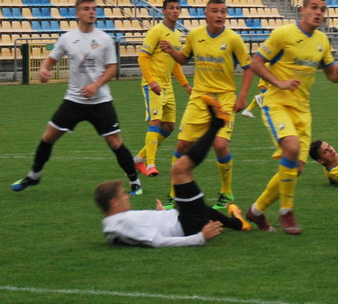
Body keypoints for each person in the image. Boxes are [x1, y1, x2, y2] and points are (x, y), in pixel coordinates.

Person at [11, 0, 143, 195]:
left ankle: (135, 182)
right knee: (48, 137)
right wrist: (44, 69)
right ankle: (34, 176)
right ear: (77, 13)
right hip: (74, 100)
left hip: (100, 101)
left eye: (94, 9)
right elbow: (51, 59)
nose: (91, 12)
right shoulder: (67, 38)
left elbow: (112, 68)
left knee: (115, 143)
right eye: (87, 8)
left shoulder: (104, 39)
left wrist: (95, 85)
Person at [243, 0, 338, 235]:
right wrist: (278, 82)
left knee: (295, 168)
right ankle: (286, 211)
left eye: (323, 9)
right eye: (313, 7)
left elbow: (331, 74)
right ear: (301, 10)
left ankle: (256, 212)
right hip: (277, 105)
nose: (318, 12)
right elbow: (256, 63)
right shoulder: (283, 35)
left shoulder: (322, 40)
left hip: (303, 111)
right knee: (291, 149)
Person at [95, 96, 251, 247]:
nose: (126, 196)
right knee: (180, 169)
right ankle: (217, 124)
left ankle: (237, 223)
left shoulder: (115, 223)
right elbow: (156, 241)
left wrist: (162, 214)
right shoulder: (121, 225)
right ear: (113, 202)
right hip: (187, 226)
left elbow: (145, 228)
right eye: (122, 194)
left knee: (189, 199)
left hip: (180, 219)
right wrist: (200, 237)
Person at [158, 0, 253, 210]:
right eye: (215, 11)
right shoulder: (195, 35)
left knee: (220, 144)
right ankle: (174, 194)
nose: (220, 15)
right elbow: (184, 59)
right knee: (182, 145)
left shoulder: (233, 39)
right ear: (206, 14)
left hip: (224, 98)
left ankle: (226, 192)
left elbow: (249, 68)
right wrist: (171, 51)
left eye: (223, 11)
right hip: (199, 98)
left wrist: (242, 97)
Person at [134, 0, 192, 178]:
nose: (175, 11)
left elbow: (175, 62)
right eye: (171, 8)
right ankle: (151, 164)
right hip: (154, 84)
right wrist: (151, 81)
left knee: (169, 126)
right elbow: (142, 57)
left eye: (177, 8)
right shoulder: (156, 31)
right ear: (164, 11)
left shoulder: (176, 34)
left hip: (167, 85)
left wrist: (185, 85)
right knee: (156, 121)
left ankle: (139, 159)